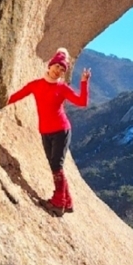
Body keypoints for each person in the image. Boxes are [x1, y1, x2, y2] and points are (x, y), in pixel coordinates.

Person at [6, 48, 91, 216]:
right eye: (57, 66)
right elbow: (18, 95)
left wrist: (84, 82)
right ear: (50, 65)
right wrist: (1, 101)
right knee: (55, 166)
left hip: (61, 130)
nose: (58, 70)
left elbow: (82, 102)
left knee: (56, 165)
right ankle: (68, 202)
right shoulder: (36, 85)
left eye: (62, 69)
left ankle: (58, 203)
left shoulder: (62, 88)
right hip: (45, 131)